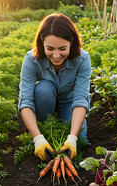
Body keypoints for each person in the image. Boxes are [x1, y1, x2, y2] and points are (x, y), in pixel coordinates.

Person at [18, 13, 92, 162]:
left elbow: (80, 99)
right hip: (44, 100)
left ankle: (63, 118)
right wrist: (37, 138)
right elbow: (25, 101)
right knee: (43, 89)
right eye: (50, 48)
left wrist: (72, 139)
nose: (56, 55)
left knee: (81, 140)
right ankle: (45, 123)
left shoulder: (82, 59)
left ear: (72, 42)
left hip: (69, 102)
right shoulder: (31, 59)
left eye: (62, 48)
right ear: (42, 43)